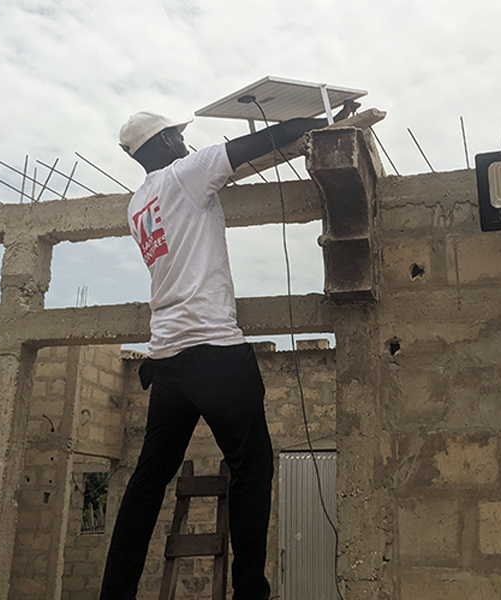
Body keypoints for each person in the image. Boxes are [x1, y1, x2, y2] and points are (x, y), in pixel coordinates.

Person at [100, 99, 359, 600]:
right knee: (252, 468)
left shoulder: (138, 204)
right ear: (165, 144)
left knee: (147, 484)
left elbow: (242, 163)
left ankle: (116, 592)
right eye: (176, 134)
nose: (183, 139)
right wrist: (323, 121)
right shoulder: (183, 174)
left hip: (167, 360)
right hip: (215, 352)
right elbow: (253, 145)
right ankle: (248, 591)